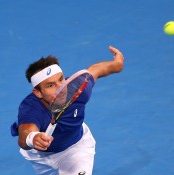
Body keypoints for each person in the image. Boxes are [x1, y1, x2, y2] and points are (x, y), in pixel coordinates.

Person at [11, 46, 124, 175]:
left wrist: (117, 63)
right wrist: (34, 138)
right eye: (50, 85)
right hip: (41, 157)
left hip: (76, 148)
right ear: (38, 93)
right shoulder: (31, 108)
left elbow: (96, 70)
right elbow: (25, 134)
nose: (61, 88)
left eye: (61, 79)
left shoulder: (78, 89)